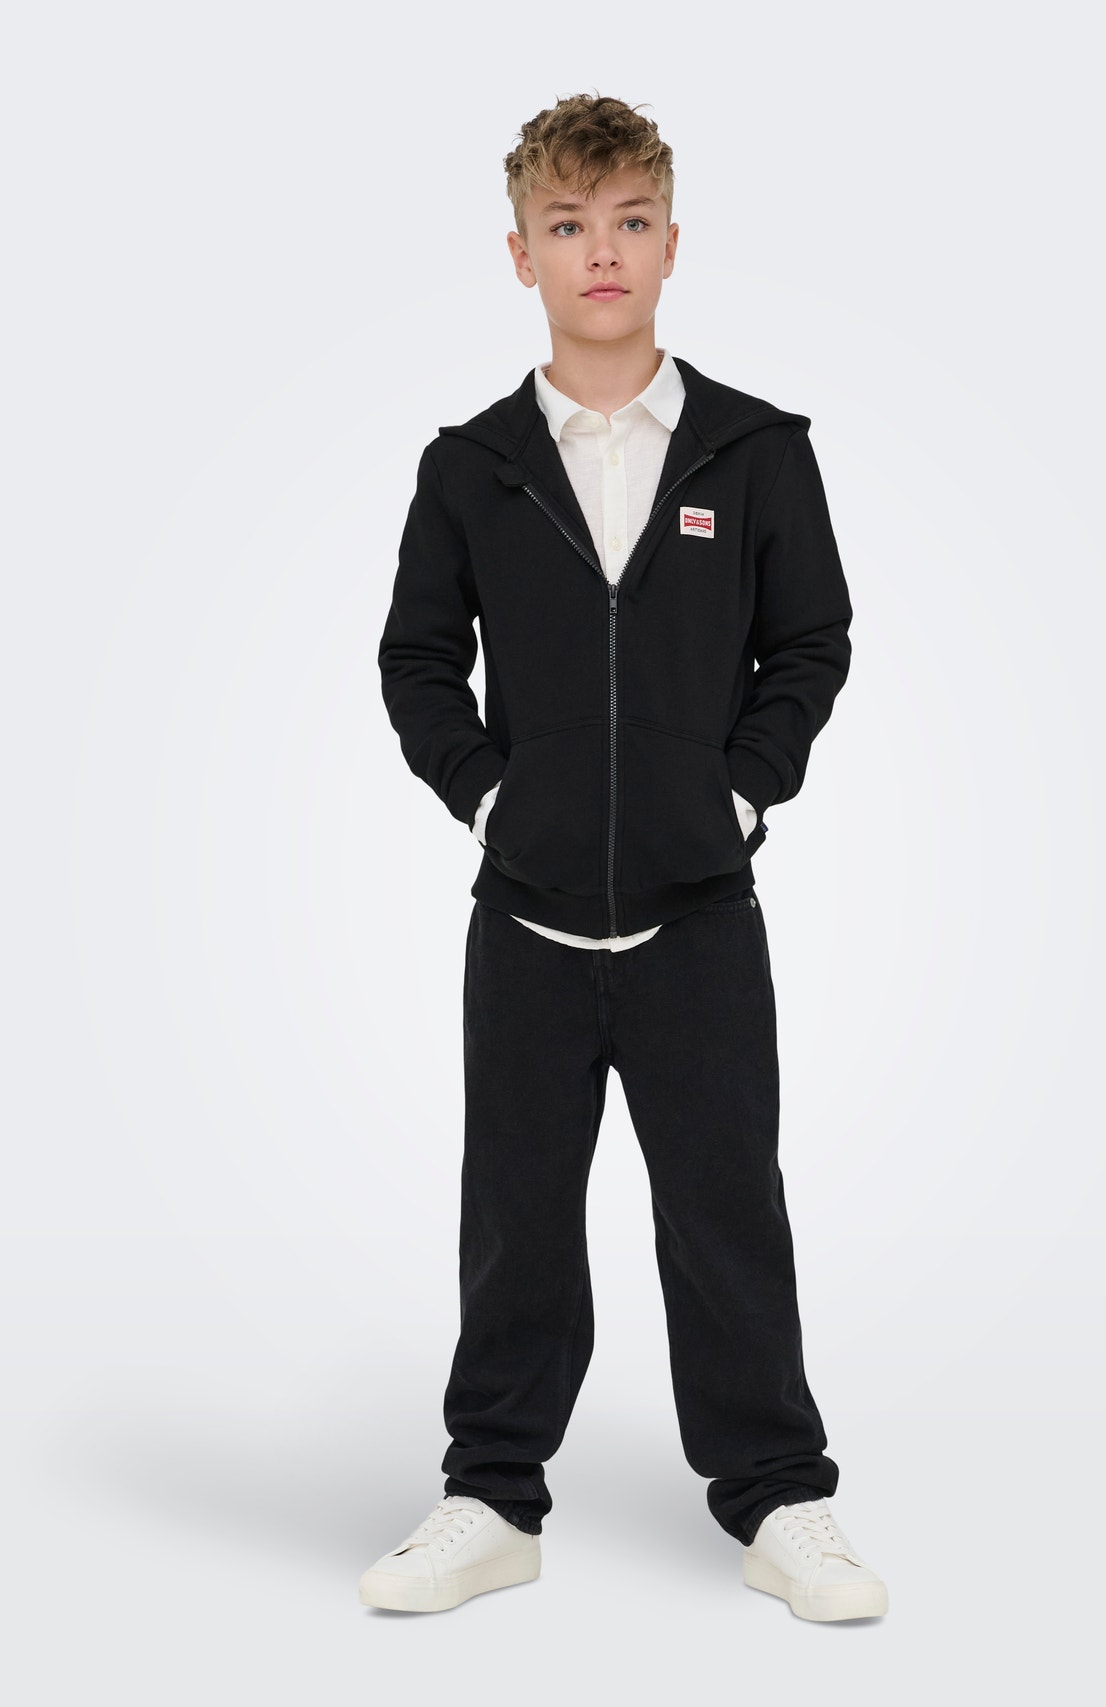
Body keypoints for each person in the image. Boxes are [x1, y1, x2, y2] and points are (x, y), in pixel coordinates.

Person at [362, 93, 887, 1623]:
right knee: (516, 1219)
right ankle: (491, 1499)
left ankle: (780, 1500)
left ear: (670, 243)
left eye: (631, 222)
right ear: (520, 253)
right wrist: (488, 801)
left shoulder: (755, 451)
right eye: (570, 225)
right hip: (526, 926)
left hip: (699, 920)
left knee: (726, 1213)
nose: (603, 252)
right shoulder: (472, 466)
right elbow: (415, 661)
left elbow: (811, 642)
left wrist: (741, 795)